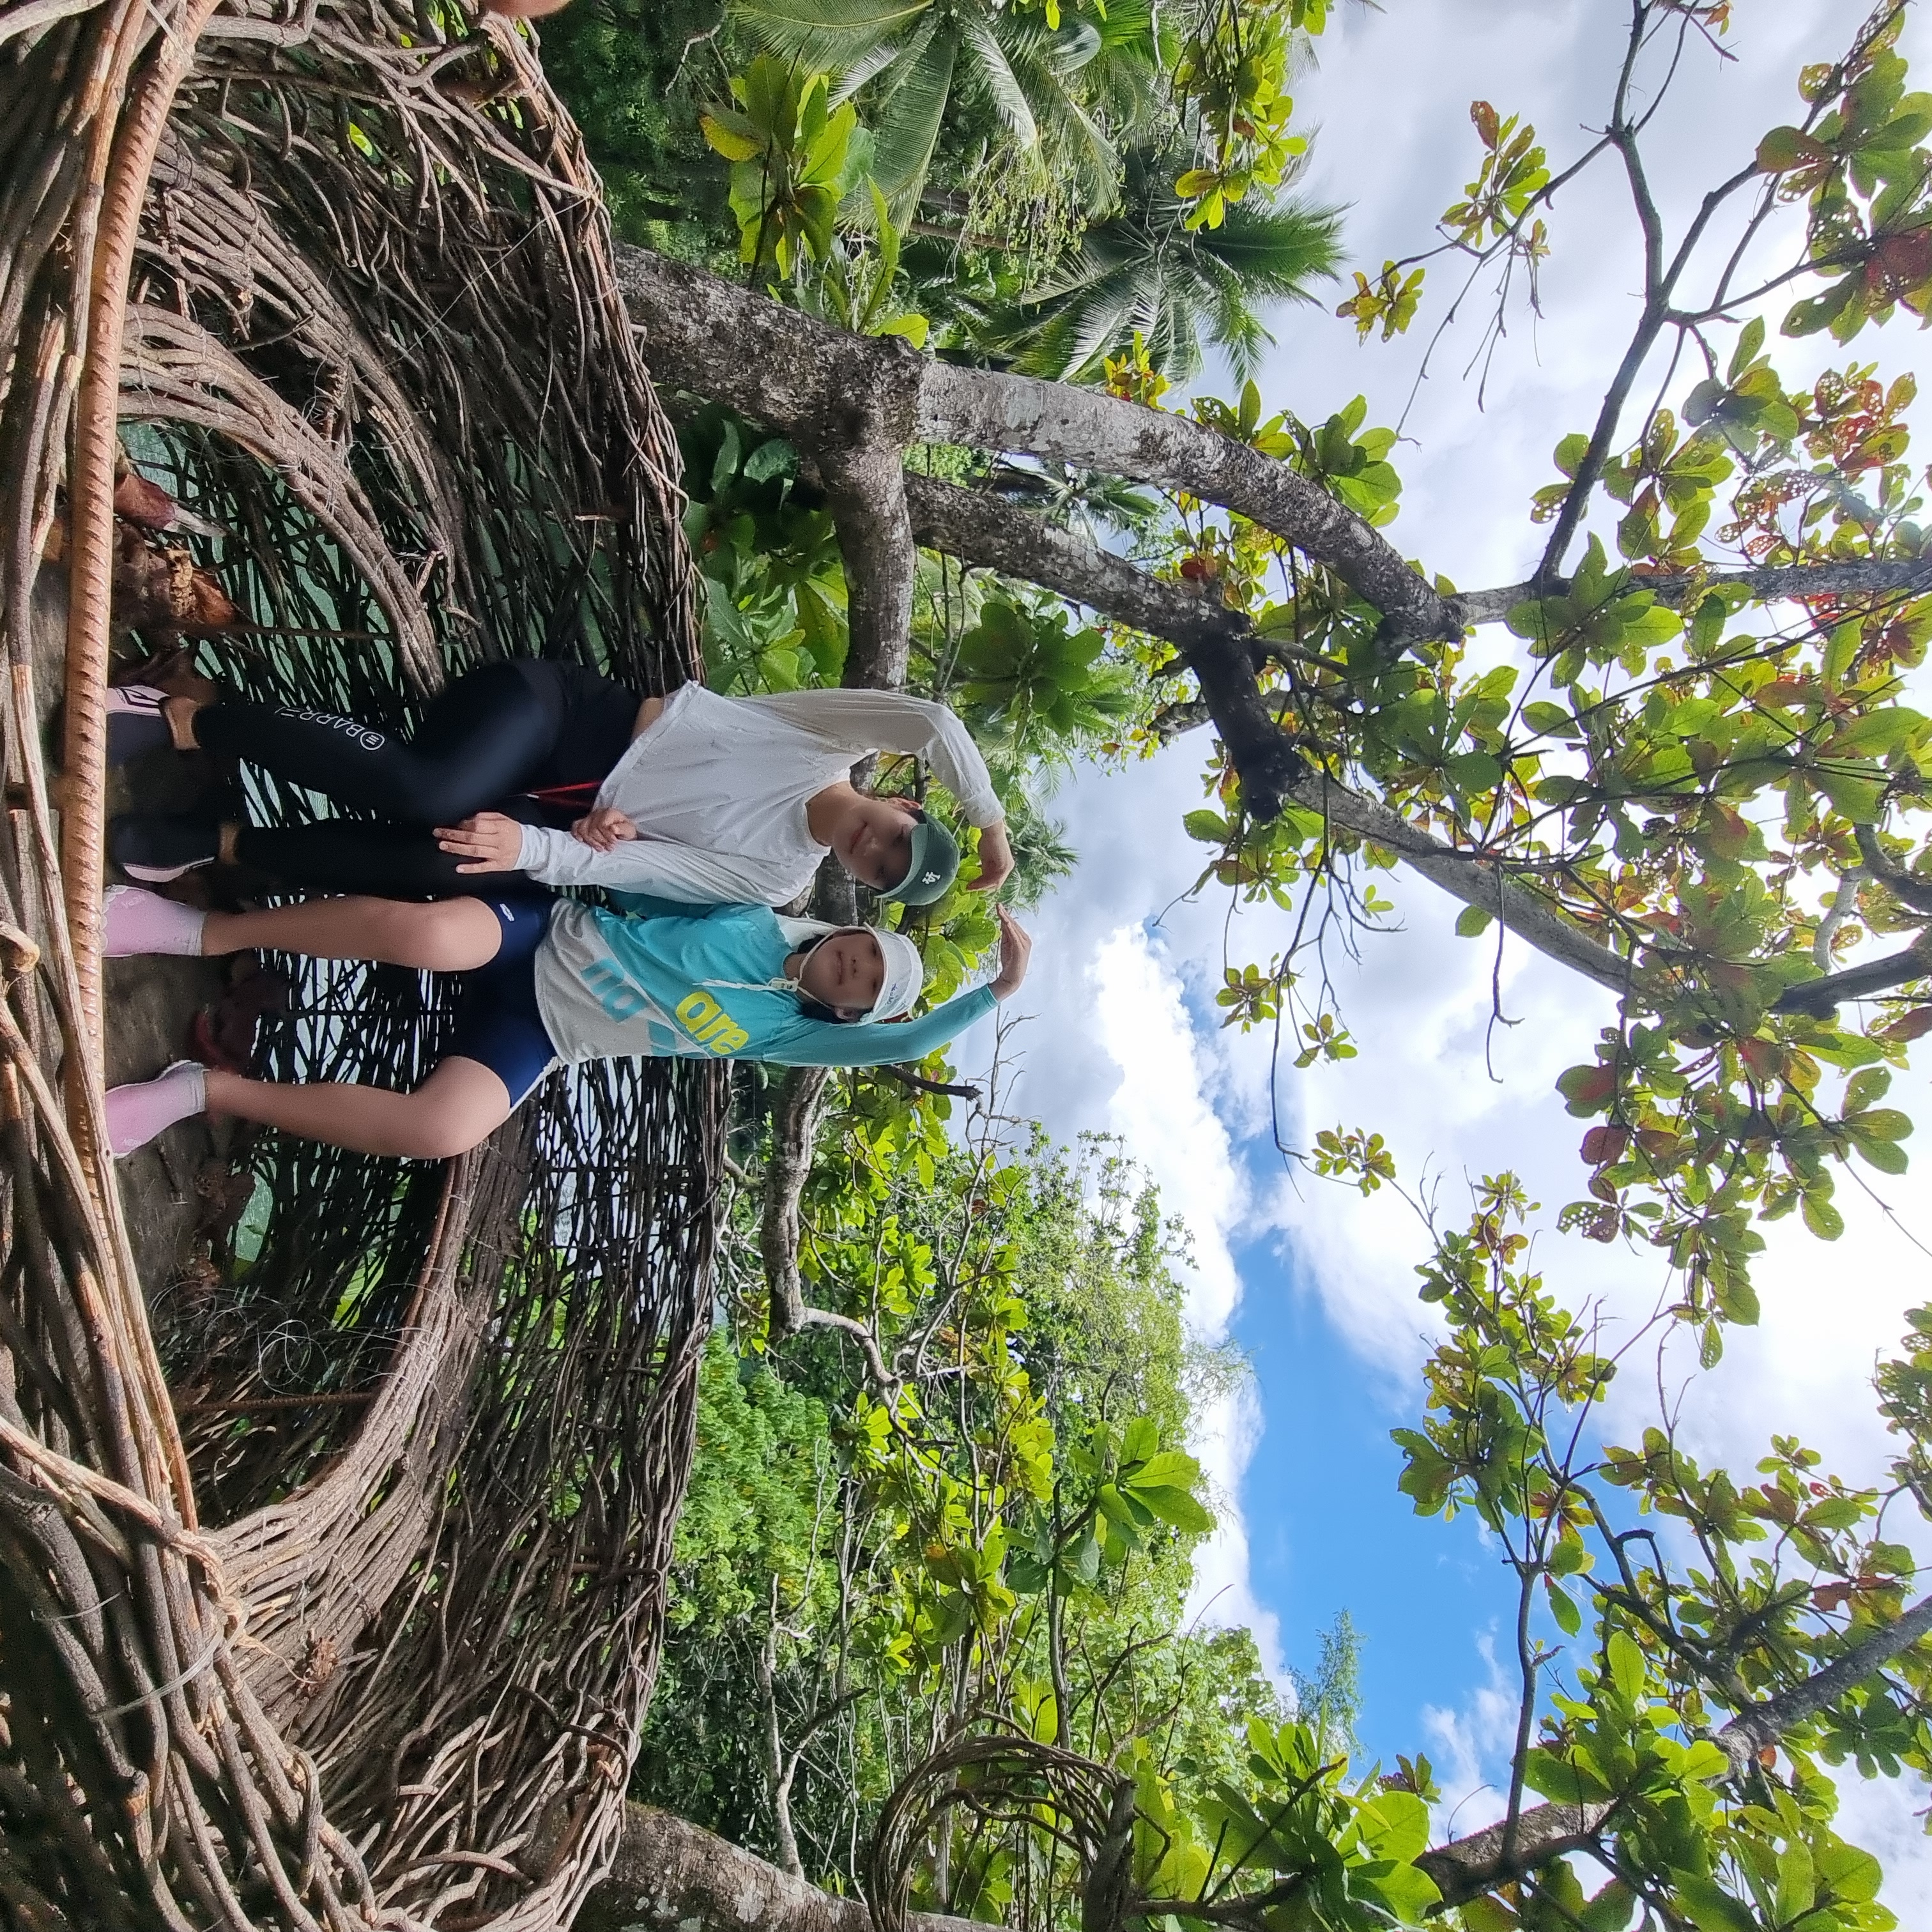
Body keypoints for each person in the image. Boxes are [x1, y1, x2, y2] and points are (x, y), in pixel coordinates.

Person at [100, 885, 1032, 1162]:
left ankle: (200, 1092)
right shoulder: (758, 910)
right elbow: (655, 869)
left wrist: (996, 992)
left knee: (441, 1132)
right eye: (862, 949)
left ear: (847, 1011)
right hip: (542, 939)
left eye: (863, 985)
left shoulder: (788, 1034)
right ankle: (198, 925)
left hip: (548, 1034)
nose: (853, 967)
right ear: (852, 930)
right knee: (425, 935)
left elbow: (908, 1044)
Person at [106, 666, 1015, 908]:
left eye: (887, 871)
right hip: (560, 717)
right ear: (902, 805)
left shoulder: (777, 880)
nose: (879, 849)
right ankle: (190, 719)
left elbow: (642, 875)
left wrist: (538, 847)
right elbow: (932, 723)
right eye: (900, 837)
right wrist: (988, 821)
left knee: (445, 864)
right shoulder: (827, 739)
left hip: (558, 807)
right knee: (427, 792)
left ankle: (223, 843)